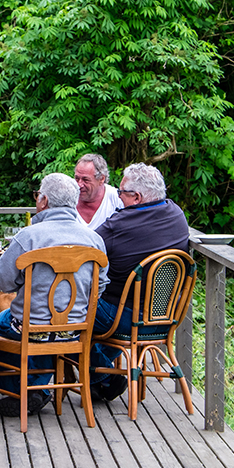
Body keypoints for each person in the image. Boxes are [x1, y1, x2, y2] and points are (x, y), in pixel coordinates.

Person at [0, 173, 108, 417]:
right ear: (74, 202)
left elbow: (3, 282)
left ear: (43, 201)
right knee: (47, 327)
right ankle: (39, 388)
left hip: (28, 328)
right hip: (76, 329)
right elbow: (101, 284)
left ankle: (16, 390)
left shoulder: (28, 236)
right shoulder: (94, 239)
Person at [90, 163, 190, 401]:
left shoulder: (119, 225)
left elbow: (88, 246)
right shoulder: (176, 213)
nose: (118, 197)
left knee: (68, 308)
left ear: (136, 197)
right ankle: (101, 379)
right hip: (166, 318)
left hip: (124, 319)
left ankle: (98, 378)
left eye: (121, 193)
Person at [74, 153, 124, 230]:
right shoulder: (68, 198)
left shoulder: (117, 199)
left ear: (101, 179)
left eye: (85, 180)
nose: (79, 185)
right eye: (77, 179)